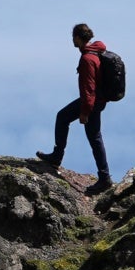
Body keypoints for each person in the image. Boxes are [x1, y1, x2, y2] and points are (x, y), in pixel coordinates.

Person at [36, 22, 113, 191]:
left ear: (78, 38)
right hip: (98, 100)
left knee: (64, 118)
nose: (72, 40)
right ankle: (104, 176)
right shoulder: (96, 52)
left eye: (73, 37)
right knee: (94, 137)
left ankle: (58, 157)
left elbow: (88, 88)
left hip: (91, 102)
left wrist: (85, 112)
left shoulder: (87, 58)